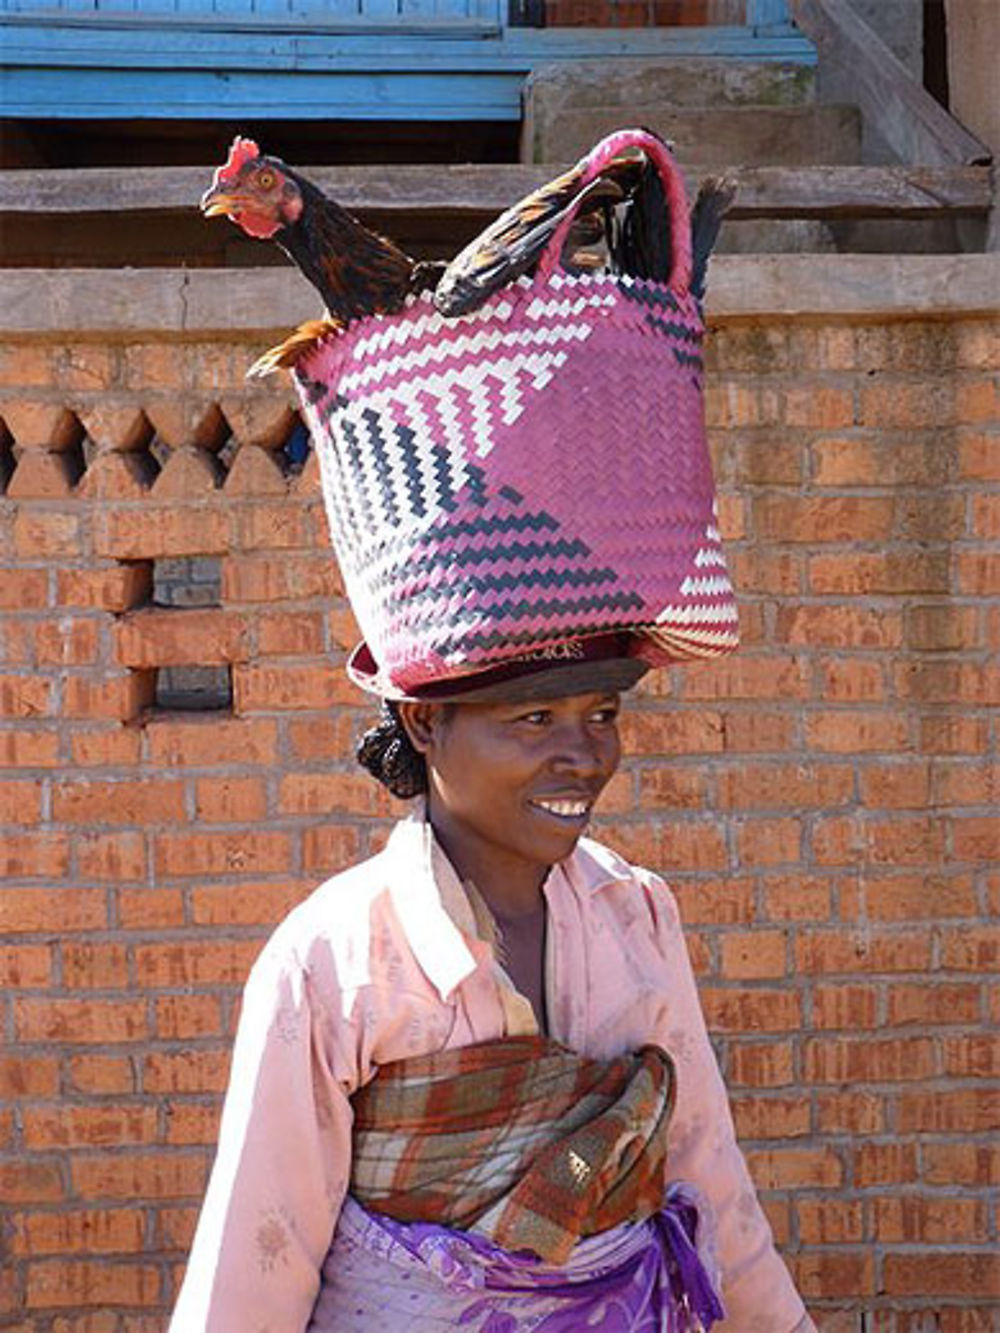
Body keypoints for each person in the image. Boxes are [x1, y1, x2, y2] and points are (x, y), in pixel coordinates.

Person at [170, 634, 815, 1332]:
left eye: (601, 714)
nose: (586, 755)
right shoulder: (334, 963)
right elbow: (261, 1257)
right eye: (535, 718)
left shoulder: (636, 916)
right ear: (424, 721)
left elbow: (708, 1173)